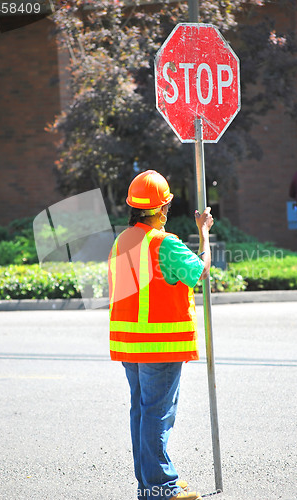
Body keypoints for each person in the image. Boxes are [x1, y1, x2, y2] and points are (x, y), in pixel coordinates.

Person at [108, 170, 214, 500]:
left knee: (142, 411)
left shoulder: (121, 240)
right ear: (163, 209)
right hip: (159, 345)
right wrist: (204, 233)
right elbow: (200, 269)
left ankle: (152, 477)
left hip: (129, 345)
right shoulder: (162, 243)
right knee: (157, 413)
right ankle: (158, 486)